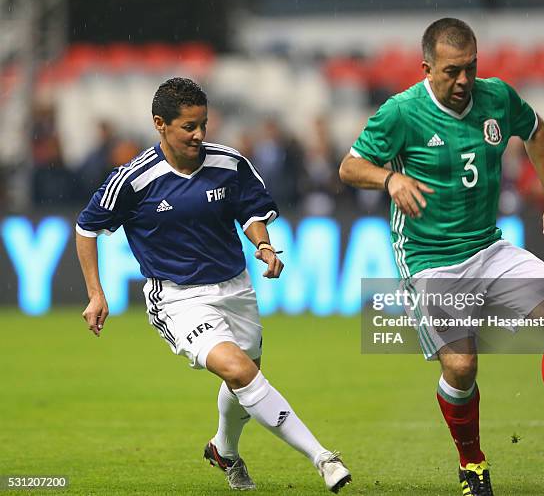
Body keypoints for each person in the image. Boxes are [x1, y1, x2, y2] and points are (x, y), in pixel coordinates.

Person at [339, 18, 544, 496]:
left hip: (488, 246)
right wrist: (390, 179)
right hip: (428, 257)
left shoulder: (497, 97)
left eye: (470, 69)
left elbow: (535, 129)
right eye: (452, 71)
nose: (463, 82)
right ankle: (471, 461)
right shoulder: (401, 112)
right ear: (427, 69)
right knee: (460, 367)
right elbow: (350, 166)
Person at [75, 77, 351, 493]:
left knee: (246, 377)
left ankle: (224, 449)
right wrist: (96, 292)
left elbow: (252, 210)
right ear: (160, 124)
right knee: (238, 369)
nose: (199, 135)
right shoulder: (133, 179)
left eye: (203, 124)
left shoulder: (229, 162)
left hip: (236, 287)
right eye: (189, 126)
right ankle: (323, 457)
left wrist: (263, 245)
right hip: (177, 297)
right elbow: (86, 227)